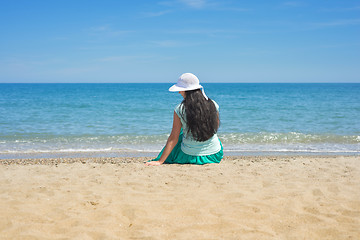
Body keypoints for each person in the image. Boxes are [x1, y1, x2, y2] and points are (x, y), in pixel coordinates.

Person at [145, 73, 223, 166]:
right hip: (214, 154)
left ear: (186, 91)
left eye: (180, 90)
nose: (179, 92)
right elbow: (215, 127)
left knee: (180, 134)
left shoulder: (180, 109)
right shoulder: (213, 104)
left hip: (188, 156)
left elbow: (173, 138)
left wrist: (160, 161)